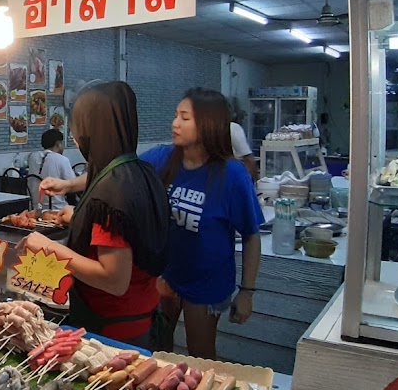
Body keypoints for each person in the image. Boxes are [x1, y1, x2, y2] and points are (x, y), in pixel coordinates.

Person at [24, 81, 170, 346]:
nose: (73, 138)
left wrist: (48, 248)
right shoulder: (139, 171)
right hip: (141, 314)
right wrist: (78, 215)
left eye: (77, 129)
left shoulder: (111, 196)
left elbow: (114, 279)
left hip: (115, 332)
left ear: (93, 131)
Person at [141, 88, 264, 360]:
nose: (175, 123)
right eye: (176, 115)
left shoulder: (231, 175)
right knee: (158, 350)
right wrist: (69, 184)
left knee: (200, 355)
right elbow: (121, 170)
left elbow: (251, 235)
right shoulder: (162, 158)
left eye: (184, 117)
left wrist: (247, 292)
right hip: (166, 276)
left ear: (208, 124)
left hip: (208, 283)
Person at [29, 129, 76, 210]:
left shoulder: (32, 157)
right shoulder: (62, 159)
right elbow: (73, 184)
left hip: (35, 207)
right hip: (57, 208)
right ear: (58, 144)